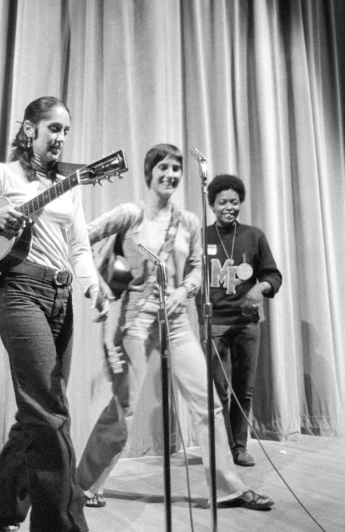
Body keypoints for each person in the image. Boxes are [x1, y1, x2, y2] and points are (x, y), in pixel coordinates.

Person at [0, 96, 109, 532]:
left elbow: (79, 247)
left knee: (38, 409)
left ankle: (2, 500)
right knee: (50, 410)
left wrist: (92, 286)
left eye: (66, 131)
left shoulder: (68, 186)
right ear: (30, 129)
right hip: (19, 292)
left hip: (61, 296)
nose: (61, 138)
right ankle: (61, 529)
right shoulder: (2, 176)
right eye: (54, 128)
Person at [76, 144, 274, 511]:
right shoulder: (130, 214)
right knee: (124, 408)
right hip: (136, 321)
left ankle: (228, 487)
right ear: (149, 172)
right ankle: (84, 485)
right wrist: (98, 285)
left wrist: (185, 290)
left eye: (176, 169)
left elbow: (198, 268)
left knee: (208, 406)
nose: (171, 175)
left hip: (178, 320)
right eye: (164, 168)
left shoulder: (189, 222)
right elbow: (80, 239)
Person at [196, 175, 282, 467]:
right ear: (212, 205)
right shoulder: (201, 237)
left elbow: (273, 275)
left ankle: (239, 447)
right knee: (218, 393)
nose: (229, 207)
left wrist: (260, 288)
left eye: (234, 202)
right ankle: (219, 450)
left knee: (243, 390)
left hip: (246, 324)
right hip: (214, 324)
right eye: (222, 202)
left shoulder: (253, 235)